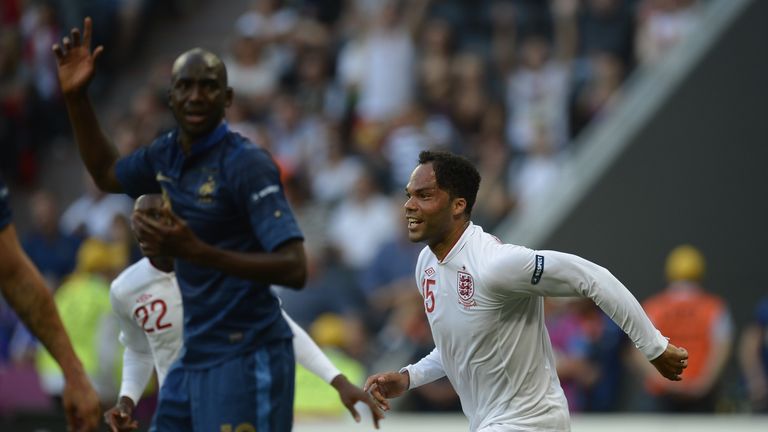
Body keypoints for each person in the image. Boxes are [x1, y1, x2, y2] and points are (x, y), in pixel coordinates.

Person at [54, 18, 308, 430]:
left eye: (208, 86)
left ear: (227, 98)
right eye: (185, 86)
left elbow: (294, 267)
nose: (195, 95)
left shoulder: (247, 165)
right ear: (170, 96)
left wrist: (198, 252)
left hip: (248, 352)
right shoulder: (166, 154)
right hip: (195, 358)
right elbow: (106, 173)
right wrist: (77, 100)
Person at [364, 150, 689, 431]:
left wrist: (654, 347)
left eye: (424, 196)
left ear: (458, 205)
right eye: (408, 195)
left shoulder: (495, 264)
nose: (409, 206)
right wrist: (409, 377)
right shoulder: (427, 265)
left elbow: (594, 278)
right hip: (491, 423)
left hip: (532, 422)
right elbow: (457, 347)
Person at [104, 194, 382, 431]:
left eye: (155, 218)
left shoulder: (225, 269)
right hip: (178, 412)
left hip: (231, 407)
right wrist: (126, 401)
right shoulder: (125, 289)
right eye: (139, 220)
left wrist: (338, 380)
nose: (145, 227)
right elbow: (139, 350)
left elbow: (281, 327)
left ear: (175, 222)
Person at [0, 176, 101, 431]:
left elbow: (16, 276)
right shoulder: (31, 243)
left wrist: (74, 374)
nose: (43, 217)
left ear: (56, 211)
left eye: (46, 211)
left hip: (64, 301)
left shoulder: (70, 243)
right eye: (38, 213)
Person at [639, 245, 732, 412]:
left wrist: (664, 382)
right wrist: (704, 382)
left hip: (662, 395)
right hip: (702, 395)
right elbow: (722, 346)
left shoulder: (654, 307)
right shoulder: (714, 308)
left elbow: (638, 351)